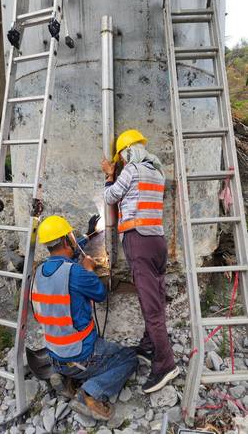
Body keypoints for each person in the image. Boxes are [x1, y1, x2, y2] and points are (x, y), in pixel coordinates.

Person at [32, 215, 137, 421]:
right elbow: (100, 294)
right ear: (66, 240)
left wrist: (89, 235)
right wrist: (88, 269)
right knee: (129, 358)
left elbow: (64, 258)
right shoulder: (76, 273)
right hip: (81, 355)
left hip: (53, 354)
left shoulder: (38, 273)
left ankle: (64, 377)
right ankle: (88, 393)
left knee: (69, 360)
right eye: (71, 237)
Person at [101, 129, 179, 394]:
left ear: (127, 151)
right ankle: (148, 345)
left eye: (121, 156)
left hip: (139, 241)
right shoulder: (157, 172)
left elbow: (110, 197)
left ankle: (166, 364)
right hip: (157, 241)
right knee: (156, 296)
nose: (121, 160)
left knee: (151, 308)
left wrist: (110, 176)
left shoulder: (131, 170)